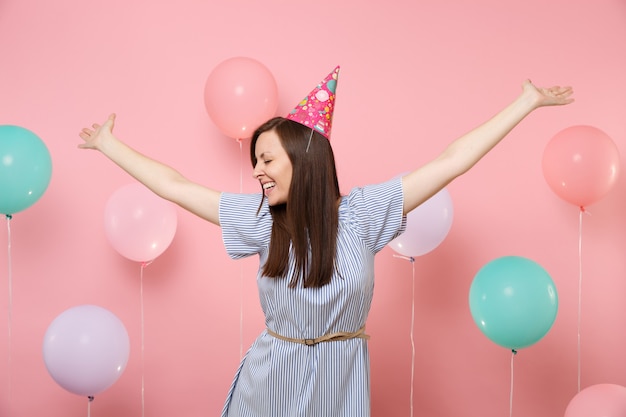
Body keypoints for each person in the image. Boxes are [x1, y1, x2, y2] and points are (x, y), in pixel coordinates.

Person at [78, 66, 574, 417]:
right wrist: (109, 144)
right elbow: (176, 186)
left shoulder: (365, 213)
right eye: (255, 161)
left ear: (303, 158)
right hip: (270, 381)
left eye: (267, 159)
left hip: (340, 381)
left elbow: (451, 161)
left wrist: (526, 103)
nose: (257, 171)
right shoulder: (259, 219)